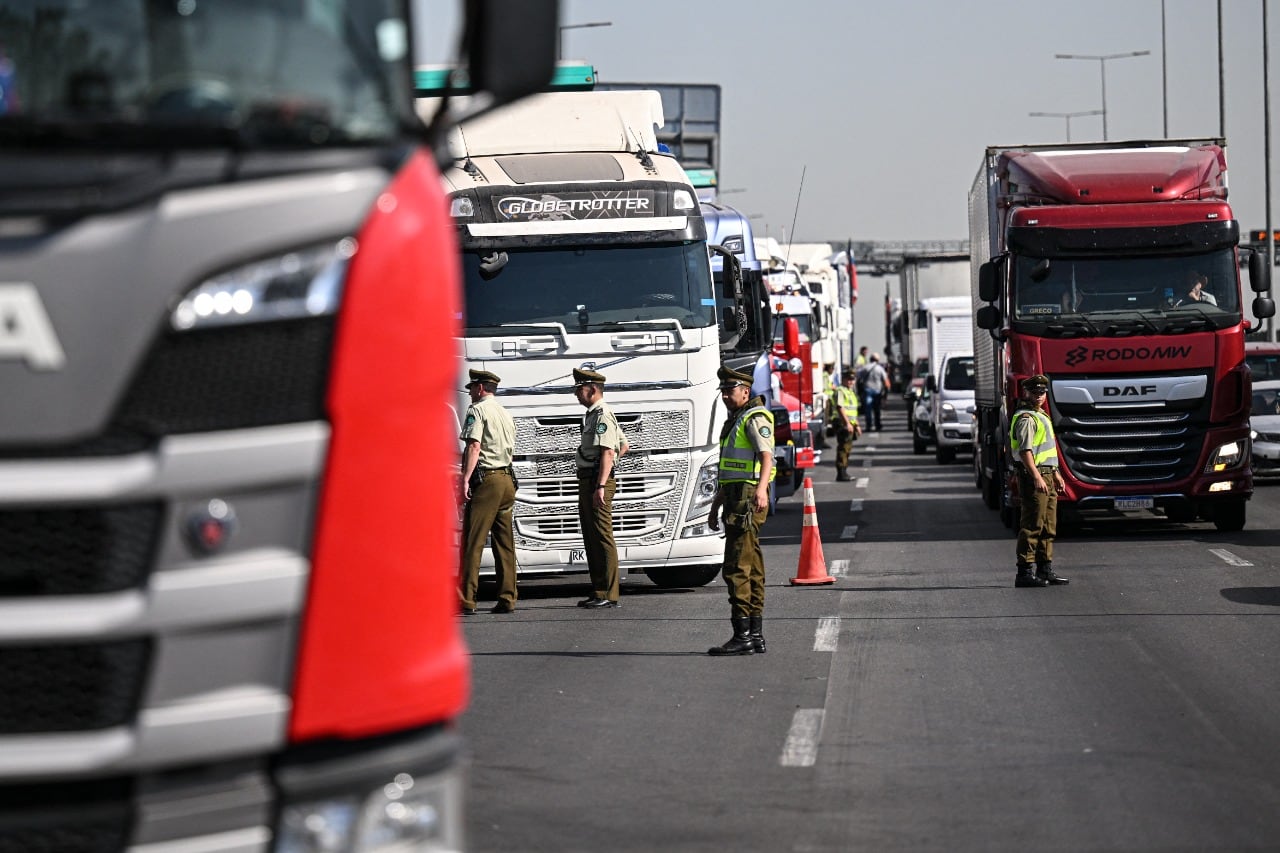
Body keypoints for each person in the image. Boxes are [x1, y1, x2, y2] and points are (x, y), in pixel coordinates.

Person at [707, 365, 775, 655]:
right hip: (736, 494)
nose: (724, 395)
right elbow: (730, 471)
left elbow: (767, 456)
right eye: (722, 390)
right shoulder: (736, 419)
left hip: (746, 497)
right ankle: (755, 635)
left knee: (737, 566)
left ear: (745, 391)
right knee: (753, 565)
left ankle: (743, 635)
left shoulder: (754, 417)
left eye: (729, 390)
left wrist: (761, 490)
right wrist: (714, 506)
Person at [458, 368, 519, 615]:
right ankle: (507, 597)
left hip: (488, 480)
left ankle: (466, 600)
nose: (471, 393)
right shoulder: (505, 413)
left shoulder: (477, 411)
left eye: (472, 388)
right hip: (506, 479)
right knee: (505, 543)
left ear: (480, 388)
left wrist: (465, 479)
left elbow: (474, 446)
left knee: (472, 541)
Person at [572, 367, 628, 608]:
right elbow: (623, 444)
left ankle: (608, 593)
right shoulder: (595, 414)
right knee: (591, 536)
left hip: (597, 481)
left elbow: (608, 450)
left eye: (579, 389)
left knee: (602, 537)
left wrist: (602, 482)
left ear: (592, 389)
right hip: (591, 479)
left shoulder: (602, 414)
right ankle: (599, 590)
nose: (575, 394)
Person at [1009, 374, 1069, 588]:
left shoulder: (1040, 414)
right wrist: (1036, 477)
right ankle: (1024, 571)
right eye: (1034, 393)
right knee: (1033, 524)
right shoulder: (1026, 418)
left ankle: (1045, 569)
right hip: (1034, 476)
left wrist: (1056, 473)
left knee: (1048, 525)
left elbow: (1046, 450)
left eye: (1042, 393)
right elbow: (1026, 452)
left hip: (1047, 474)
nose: (1039, 396)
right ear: (1026, 393)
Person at [832, 368, 861, 481]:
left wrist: (857, 425)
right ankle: (841, 473)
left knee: (847, 448)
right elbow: (840, 408)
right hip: (842, 423)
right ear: (843, 380)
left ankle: (844, 471)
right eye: (848, 379)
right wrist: (847, 423)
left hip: (849, 423)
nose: (850, 382)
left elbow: (853, 411)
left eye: (852, 380)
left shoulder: (850, 391)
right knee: (843, 448)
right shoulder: (840, 391)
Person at [860, 353, 889, 432]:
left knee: (868, 410)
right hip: (877, 392)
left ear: (870, 359)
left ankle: (868, 425)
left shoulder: (865, 368)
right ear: (878, 360)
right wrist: (885, 395)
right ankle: (877, 425)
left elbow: (859, 378)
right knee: (877, 409)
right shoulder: (880, 369)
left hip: (867, 390)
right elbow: (886, 382)